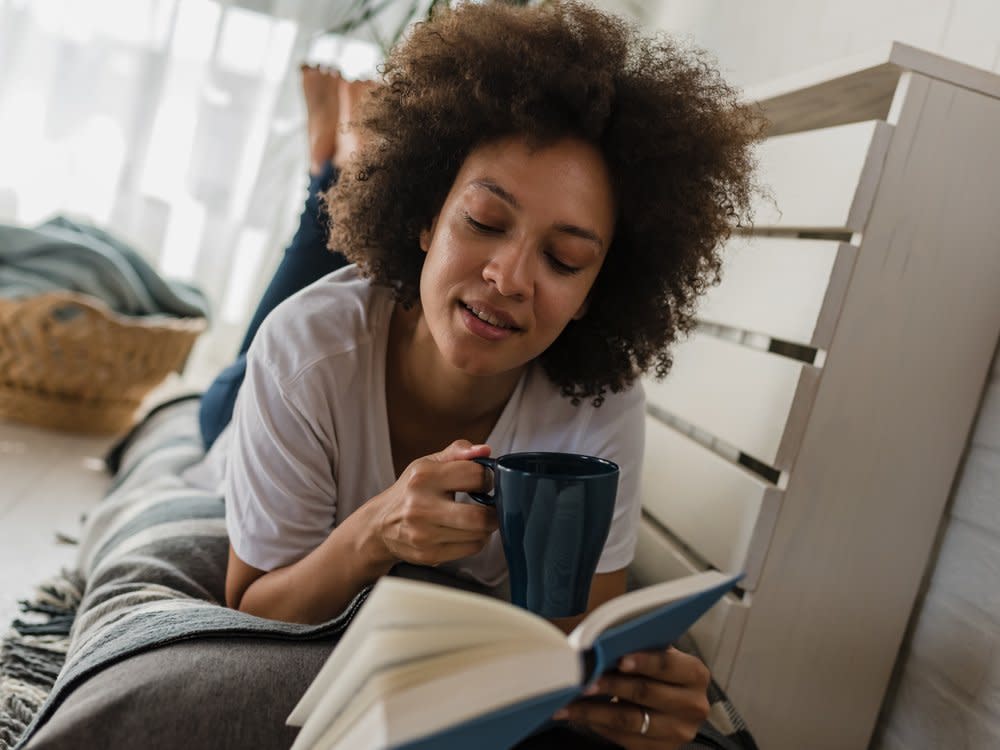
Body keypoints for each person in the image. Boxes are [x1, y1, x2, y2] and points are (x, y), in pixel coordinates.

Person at [198, 2, 761, 748]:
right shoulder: (305, 352)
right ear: (428, 215)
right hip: (239, 417)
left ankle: (330, 160)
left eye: (563, 260)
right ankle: (328, 164)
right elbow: (250, 610)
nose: (508, 276)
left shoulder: (599, 408)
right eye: (484, 222)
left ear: (598, 290)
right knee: (270, 333)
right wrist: (376, 529)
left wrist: (639, 705)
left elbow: (568, 653)